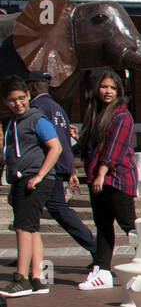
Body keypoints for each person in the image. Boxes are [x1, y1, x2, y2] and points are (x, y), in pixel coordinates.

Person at [28, 80, 98, 272]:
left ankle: (96, 248)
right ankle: (27, 252)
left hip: (47, 167)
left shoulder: (37, 107)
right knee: (26, 208)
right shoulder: (59, 108)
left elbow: (53, 142)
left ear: (33, 87)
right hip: (60, 165)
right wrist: (70, 169)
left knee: (57, 208)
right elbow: (65, 140)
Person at [2, 77, 61, 296]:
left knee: (23, 227)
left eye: (21, 98)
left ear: (28, 96)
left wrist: (39, 175)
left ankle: (21, 279)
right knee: (32, 227)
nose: (17, 103)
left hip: (34, 179)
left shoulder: (37, 119)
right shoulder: (12, 123)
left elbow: (56, 148)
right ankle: (37, 278)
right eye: (12, 100)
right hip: (20, 179)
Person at [80, 69, 138, 289]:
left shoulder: (122, 115)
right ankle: (102, 269)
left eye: (113, 88)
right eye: (104, 86)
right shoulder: (96, 114)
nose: (108, 91)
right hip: (98, 178)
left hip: (117, 179)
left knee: (129, 226)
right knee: (103, 226)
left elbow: (114, 147)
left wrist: (102, 173)